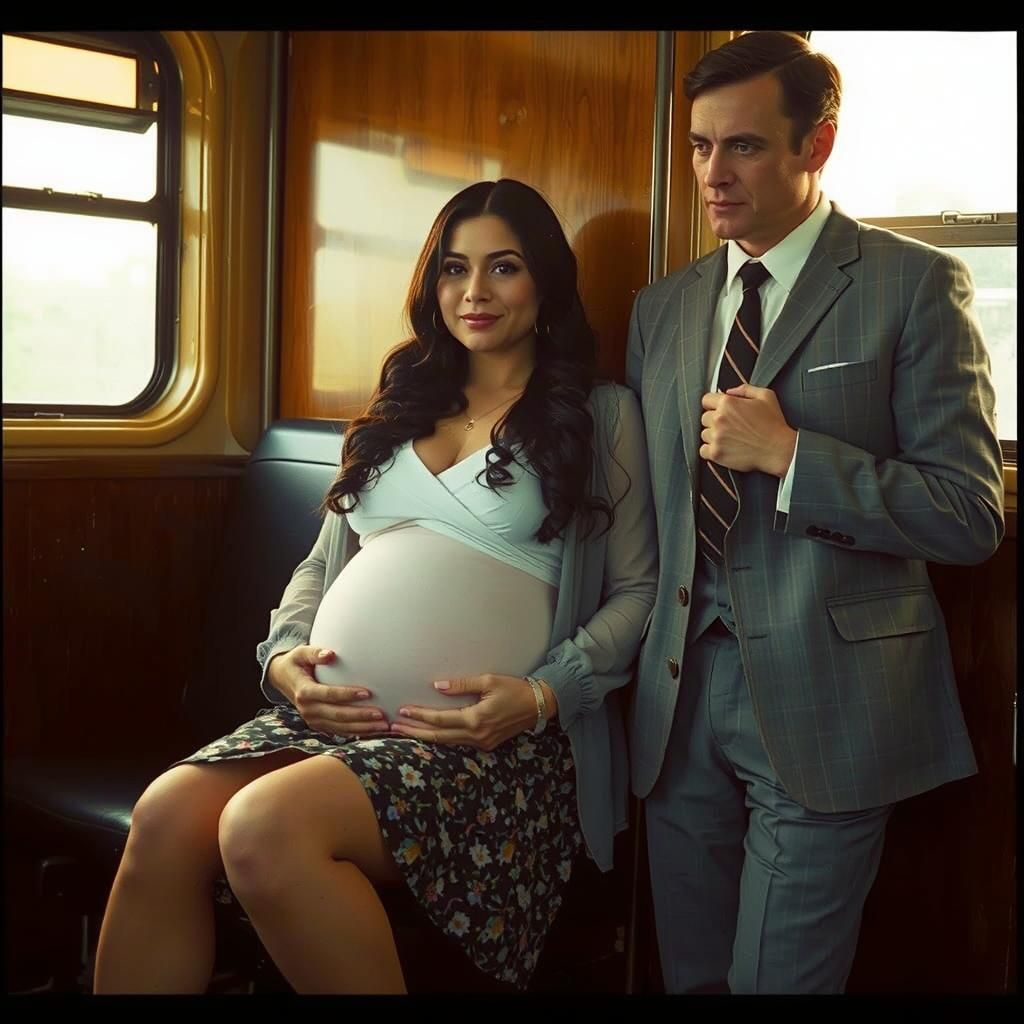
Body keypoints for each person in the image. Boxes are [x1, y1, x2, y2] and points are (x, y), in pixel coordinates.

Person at [92, 178, 656, 995]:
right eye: (454, 269)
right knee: (167, 813)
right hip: (330, 725)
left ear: (546, 284)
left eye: (504, 268)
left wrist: (538, 698)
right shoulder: (400, 405)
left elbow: (638, 592)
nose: (474, 292)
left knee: (261, 826)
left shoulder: (600, 416)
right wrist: (286, 664)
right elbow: (322, 567)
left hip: (487, 752)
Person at [625, 31, 1004, 994]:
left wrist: (794, 457)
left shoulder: (912, 283)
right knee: (694, 980)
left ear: (817, 145)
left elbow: (968, 513)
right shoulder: (662, 308)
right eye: (703, 146)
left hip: (829, 700)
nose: (714, 173)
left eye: (744, 146)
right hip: (675, 701)